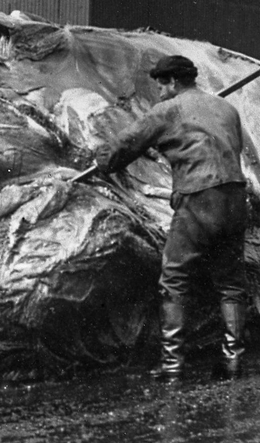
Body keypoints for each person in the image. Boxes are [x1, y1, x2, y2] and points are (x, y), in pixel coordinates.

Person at [96, 54, 250, 379]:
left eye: (161, 86)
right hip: (236, 196)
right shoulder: (226, 108)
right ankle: (233, 360)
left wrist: (101, 160)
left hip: (199, 195)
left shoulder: (167, 110)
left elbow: (125, 145)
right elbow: (225, 147)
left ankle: (172, 364)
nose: (159, 93)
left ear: (173, 82)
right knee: (231, 282)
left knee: (175, 278)